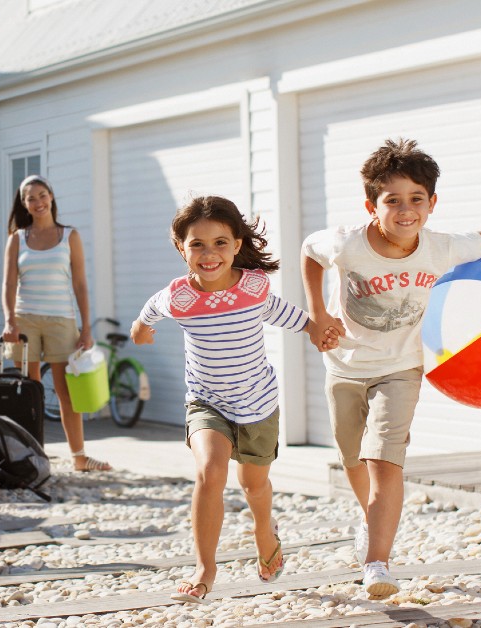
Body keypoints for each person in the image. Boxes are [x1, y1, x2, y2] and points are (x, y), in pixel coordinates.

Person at [301, 138, 481, 598]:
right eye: (392, 200)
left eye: (417, 199)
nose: (405, 210)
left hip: (401, 368)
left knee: (384, 459)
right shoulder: (346, 243)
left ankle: (377, 563)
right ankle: (369, 521)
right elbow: (308, 252)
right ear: (371, 205)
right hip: (344, 366)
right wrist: (317, 314)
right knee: (352, 458)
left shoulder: (442, 248)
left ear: (432, 203)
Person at [130, 195, 326, 604]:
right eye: (197, 244)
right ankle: (205, 569)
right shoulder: (180, 297)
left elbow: (282, 313)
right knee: (210, 472)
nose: (209, 253)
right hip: (207, 402)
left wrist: (315, 329)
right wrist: (141, 329)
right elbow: (149, 311)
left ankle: (263, 530)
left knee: (253, 486)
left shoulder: (252, 288)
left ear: (237, 244)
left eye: (220, 242)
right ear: (181, 248)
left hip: (257, 403)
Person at [2, 174, 112, 472]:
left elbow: (80, 284)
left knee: (67, 393)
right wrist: (9, 321)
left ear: (51, 196)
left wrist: (86, 327)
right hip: (25, 322)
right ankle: (33, 455)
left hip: (62, 321)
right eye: (30, 198)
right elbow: (9, 284)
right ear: (23, 204)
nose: (37, 202)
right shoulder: (17, 239)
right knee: (28, 392)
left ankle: (79, 457)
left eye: (41, 195)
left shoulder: (69, 236)